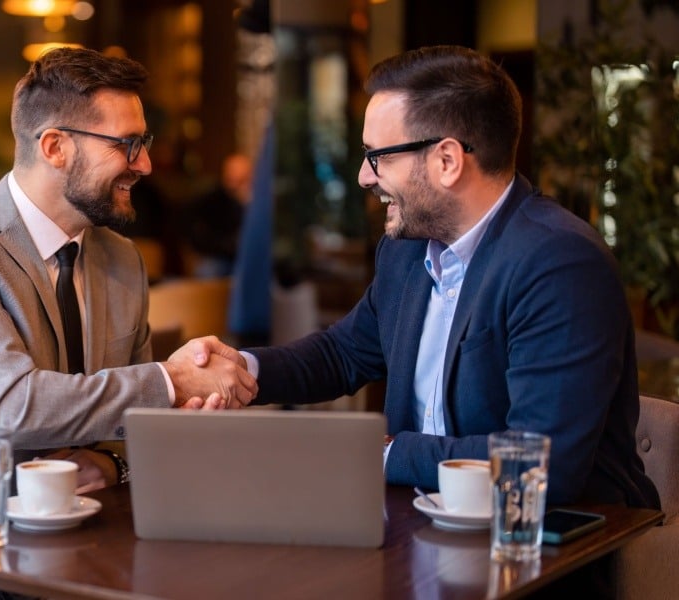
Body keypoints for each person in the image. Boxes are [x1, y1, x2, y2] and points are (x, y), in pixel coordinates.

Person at [186, 45, 659, 511]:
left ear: (447, 161)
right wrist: (241, 371)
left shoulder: (559, 263)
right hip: (418, 529)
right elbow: (343, 353)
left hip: (547, 550)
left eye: (378, 156)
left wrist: (386, 453)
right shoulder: (406, 252)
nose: (363, 178)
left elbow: (538, 465)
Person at [0, 48, 257, 599]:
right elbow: (13, 408)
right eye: (129, 145)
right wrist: (172, 382)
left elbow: (138, 424)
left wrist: (127, 445)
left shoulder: (122, 259)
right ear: (54, 146)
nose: (144, 164)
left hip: (94, 537)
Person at [186, 152, 252, 278]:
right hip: (219, 257)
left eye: (243, 179)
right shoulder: (212, 200)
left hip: (247, 257)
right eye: (232, 178)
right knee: (208, 269)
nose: (237, 184)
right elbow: (199, 236)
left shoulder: (256, 202)